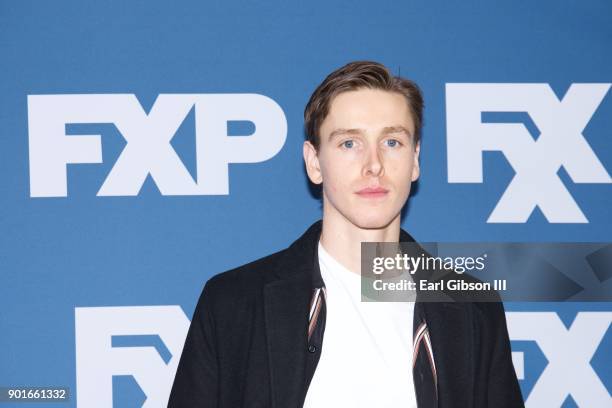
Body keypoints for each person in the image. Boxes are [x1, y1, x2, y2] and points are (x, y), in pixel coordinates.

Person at [168, 61, 524, 407]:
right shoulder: (234, 303)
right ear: (314, 162)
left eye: (392, 142)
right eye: (349, 143)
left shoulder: (471, 307)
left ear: (415, 160)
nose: (374, 165)